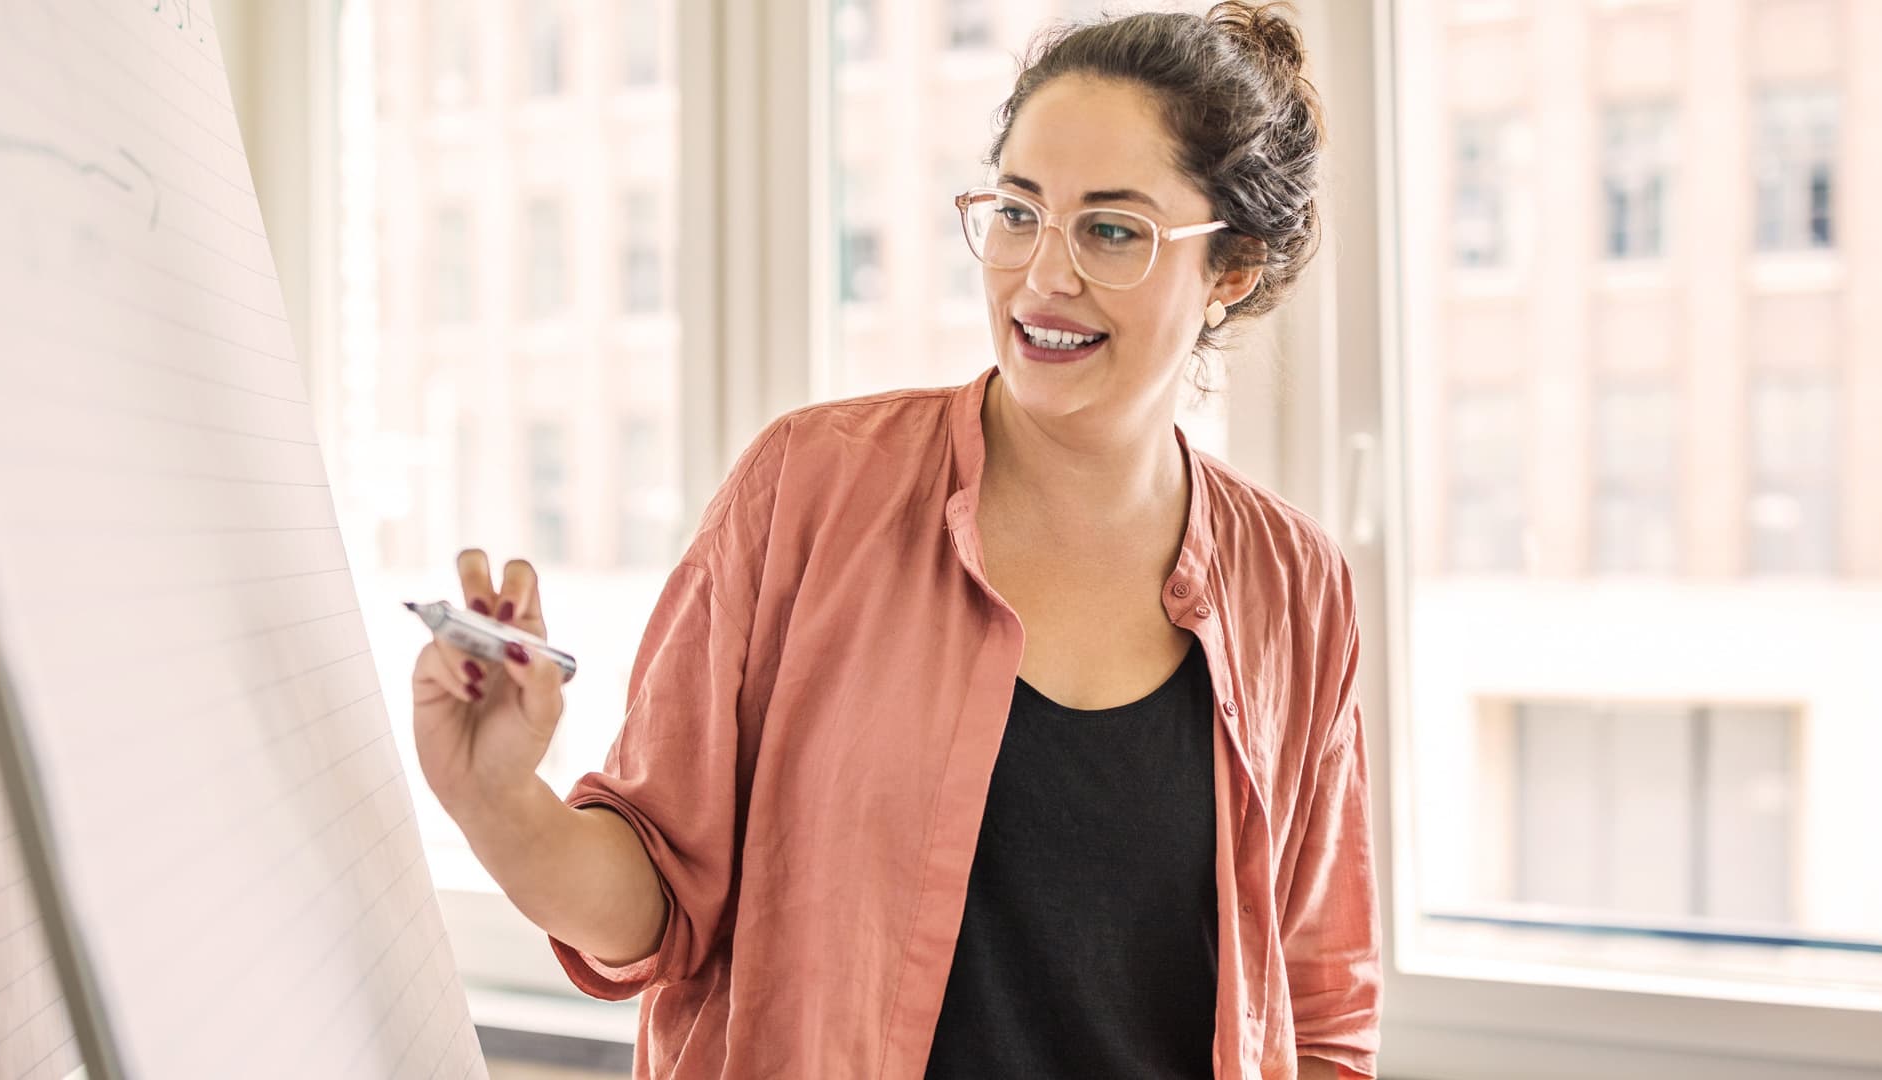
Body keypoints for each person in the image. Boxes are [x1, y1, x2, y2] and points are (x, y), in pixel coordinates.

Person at [411, 3, 1380, 1077]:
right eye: (1018, 212)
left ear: (1231, 272)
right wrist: (497, 799)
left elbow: (1321, 1010)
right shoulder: (810, 491)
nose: (1044, 275)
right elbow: (655, 901)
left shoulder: (1296, 587)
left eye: (1112, 230)